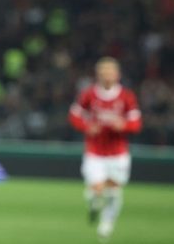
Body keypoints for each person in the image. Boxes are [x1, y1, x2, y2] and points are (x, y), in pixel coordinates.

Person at [69, 57, 142, 241]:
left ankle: (107, 223)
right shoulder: (88, 94)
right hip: (95, 151)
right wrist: (87, 127)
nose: (107, 76)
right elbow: (74, 116)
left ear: (117, 75)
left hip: (118, 153)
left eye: (110, 72)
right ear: (98, 75)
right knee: (97, 188)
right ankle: (94, 203)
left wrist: (123, 125)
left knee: (113, 191)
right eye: (103, 73)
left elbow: (136, 123)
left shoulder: (126, 96)